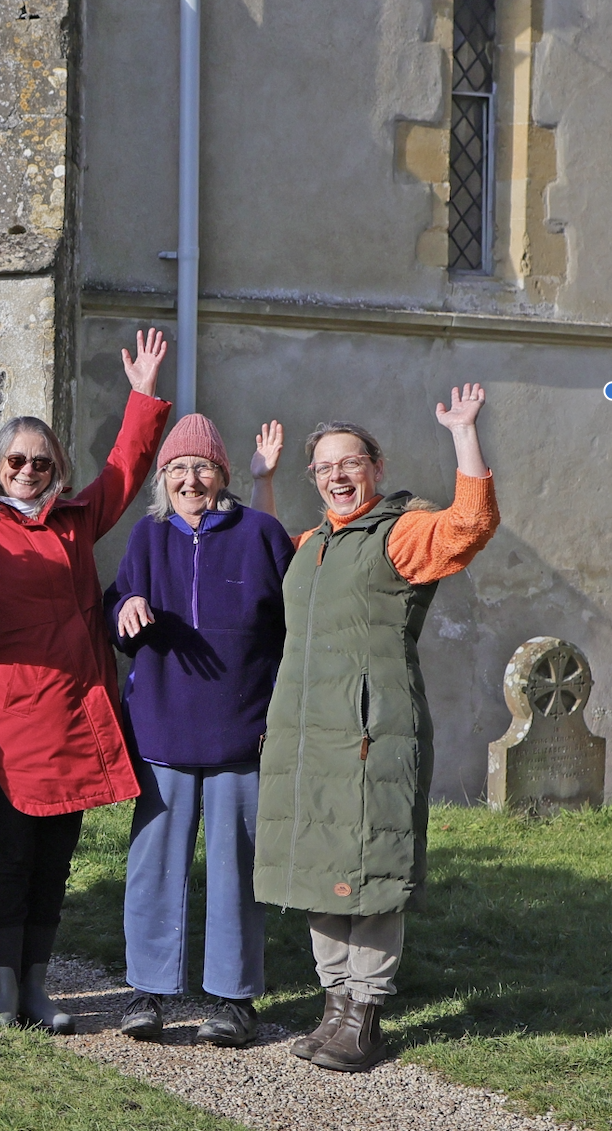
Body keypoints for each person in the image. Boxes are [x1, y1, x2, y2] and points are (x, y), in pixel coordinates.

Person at [0, 329, 172, 1033]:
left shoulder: (75, 519)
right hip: (14, 718)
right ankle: (1, 989)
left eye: (41, 461)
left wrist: (144, 393)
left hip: (75, 714)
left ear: (56, 467)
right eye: (16, 460)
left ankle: (37, 987)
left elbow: (126, 473)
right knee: (10, 856)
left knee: (54, 860)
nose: (29, 470)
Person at [261, 390, 497, 1074]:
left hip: (371, 736)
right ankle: (332, 1005)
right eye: (325, 467)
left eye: (350, 462)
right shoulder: (314, 545)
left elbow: (471, 525)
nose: (338, 475)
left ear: (375, 465)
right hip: (307, 737)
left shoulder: (401, 530)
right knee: (319, 869)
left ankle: (364, 1013)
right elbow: (265, 561)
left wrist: (462, 433)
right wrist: (262, 480)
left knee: (370, 869)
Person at [106, 414, 294, 1049]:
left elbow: (295, 627)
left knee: (235, 868)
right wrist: (123, 607)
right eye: (178, 469)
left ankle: (233, 999)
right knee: (154, 865)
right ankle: (149, 990)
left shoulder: (261, 534)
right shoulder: (148, 537)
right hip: (162, 727)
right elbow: (116, 602)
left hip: (242, 731)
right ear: (165, 479)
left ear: (223, 475)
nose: (191, 478)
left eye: (203, 467)